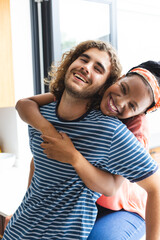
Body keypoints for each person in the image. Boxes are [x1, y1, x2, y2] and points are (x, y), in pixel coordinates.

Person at [3, 40, 160, 240]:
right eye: (84, 60)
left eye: (98, 68)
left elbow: (115, 187)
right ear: (113, 83)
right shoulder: (44, 113)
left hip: (123, 205)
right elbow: (39, 158)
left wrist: (74, 157)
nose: (120, 102)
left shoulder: (121, 131)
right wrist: (25, 211)